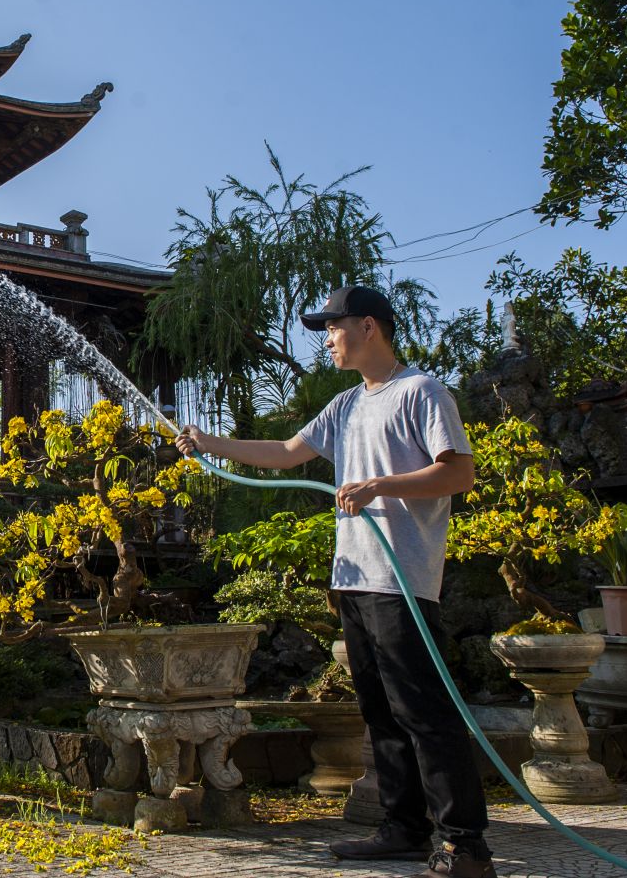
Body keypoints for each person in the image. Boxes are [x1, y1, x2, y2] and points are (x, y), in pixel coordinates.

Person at [176, 284, 495, 878]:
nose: (327, 339)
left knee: (422, 712)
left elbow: (458, 474)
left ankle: (466, 846)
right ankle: (403, 829)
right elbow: (286, 450)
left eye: (333, 326)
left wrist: (380, 486)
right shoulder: (346, 405)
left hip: (402, 580)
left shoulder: (421, 392)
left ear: (368, 326)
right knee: (380, 712)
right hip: (353, 576)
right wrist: (208, 443)